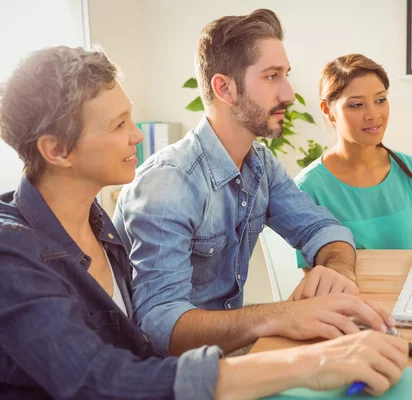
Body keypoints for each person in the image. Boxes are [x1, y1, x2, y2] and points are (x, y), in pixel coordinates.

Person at [0, 46, 409, 399]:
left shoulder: (95, 223)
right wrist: (308, 362)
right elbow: (101, 381)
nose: (137, 136)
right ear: (56, 150)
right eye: (118, 125)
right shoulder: (12, 252)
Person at [112, 9, 394, 358]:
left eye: (285, 75)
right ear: (224, 88)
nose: (289, 94)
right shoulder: (169, 183)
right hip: (173, 380)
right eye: (272, 76)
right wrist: (281, 315)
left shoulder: (259, 164)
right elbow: (160, 328)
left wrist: (337, 268)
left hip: (229, 360)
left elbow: (324, 228)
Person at [295, 54, 412, 269]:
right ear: (328, 111)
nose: (373, 115)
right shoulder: (309, 187)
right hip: (344, 301)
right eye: (356, 105)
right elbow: (313, 278)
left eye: (380, 100)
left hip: (410, 298)